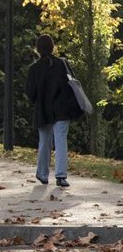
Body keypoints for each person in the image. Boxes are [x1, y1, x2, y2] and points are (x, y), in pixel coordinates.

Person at [25, 34, 80, 187]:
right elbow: (72, 85)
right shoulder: (62, 64)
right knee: (61, 141)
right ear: (52, 47)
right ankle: (61, 176)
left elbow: (30, 93)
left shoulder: (33, 69)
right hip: (62, 109)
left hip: (43, 110)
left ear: (38, 49)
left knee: (44, 142)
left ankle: (42, 174)